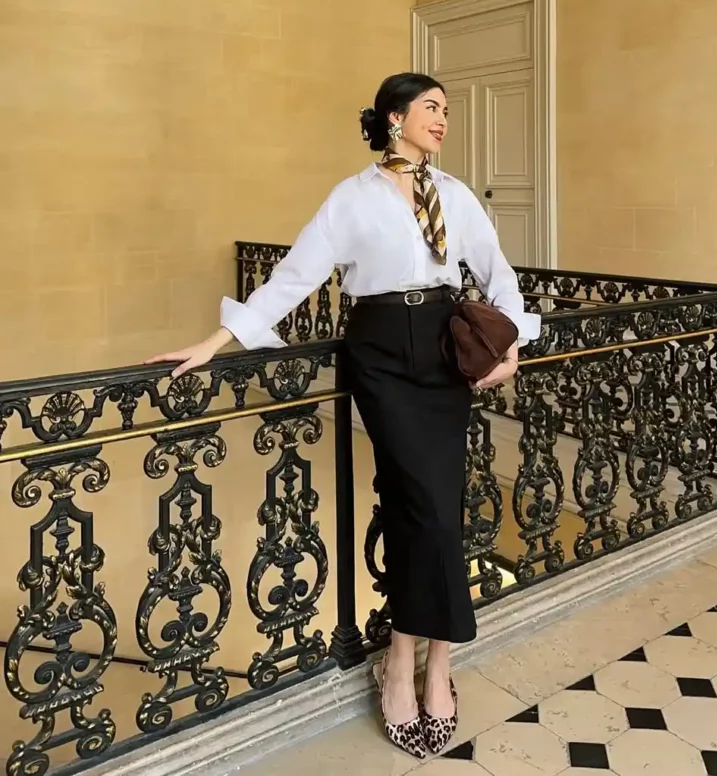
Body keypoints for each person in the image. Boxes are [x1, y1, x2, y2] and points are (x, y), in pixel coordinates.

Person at [146, 72, 541, 758]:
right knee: (419, 500)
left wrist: (512, 346)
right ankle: (400, 667)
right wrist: (219, 340)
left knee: (436, 507)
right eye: (430, 108)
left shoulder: (453, 197)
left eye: (445, 111)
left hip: (447, 351)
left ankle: (427, 664)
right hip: (382, 353)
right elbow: (294, 277)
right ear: (394, 117)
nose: (443, 120)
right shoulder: (350, 198)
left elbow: (497, 274)